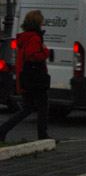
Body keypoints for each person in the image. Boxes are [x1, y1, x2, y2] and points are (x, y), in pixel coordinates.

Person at [0, 10, 50, 142]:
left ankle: (4, 129)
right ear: (37, 23)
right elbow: (32, 56)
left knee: (28, 108)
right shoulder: (34, 38)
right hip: (34, 79)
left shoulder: (25, 37)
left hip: (25, 77)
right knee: (42, 106)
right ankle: (43, 135)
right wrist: (45, 52)